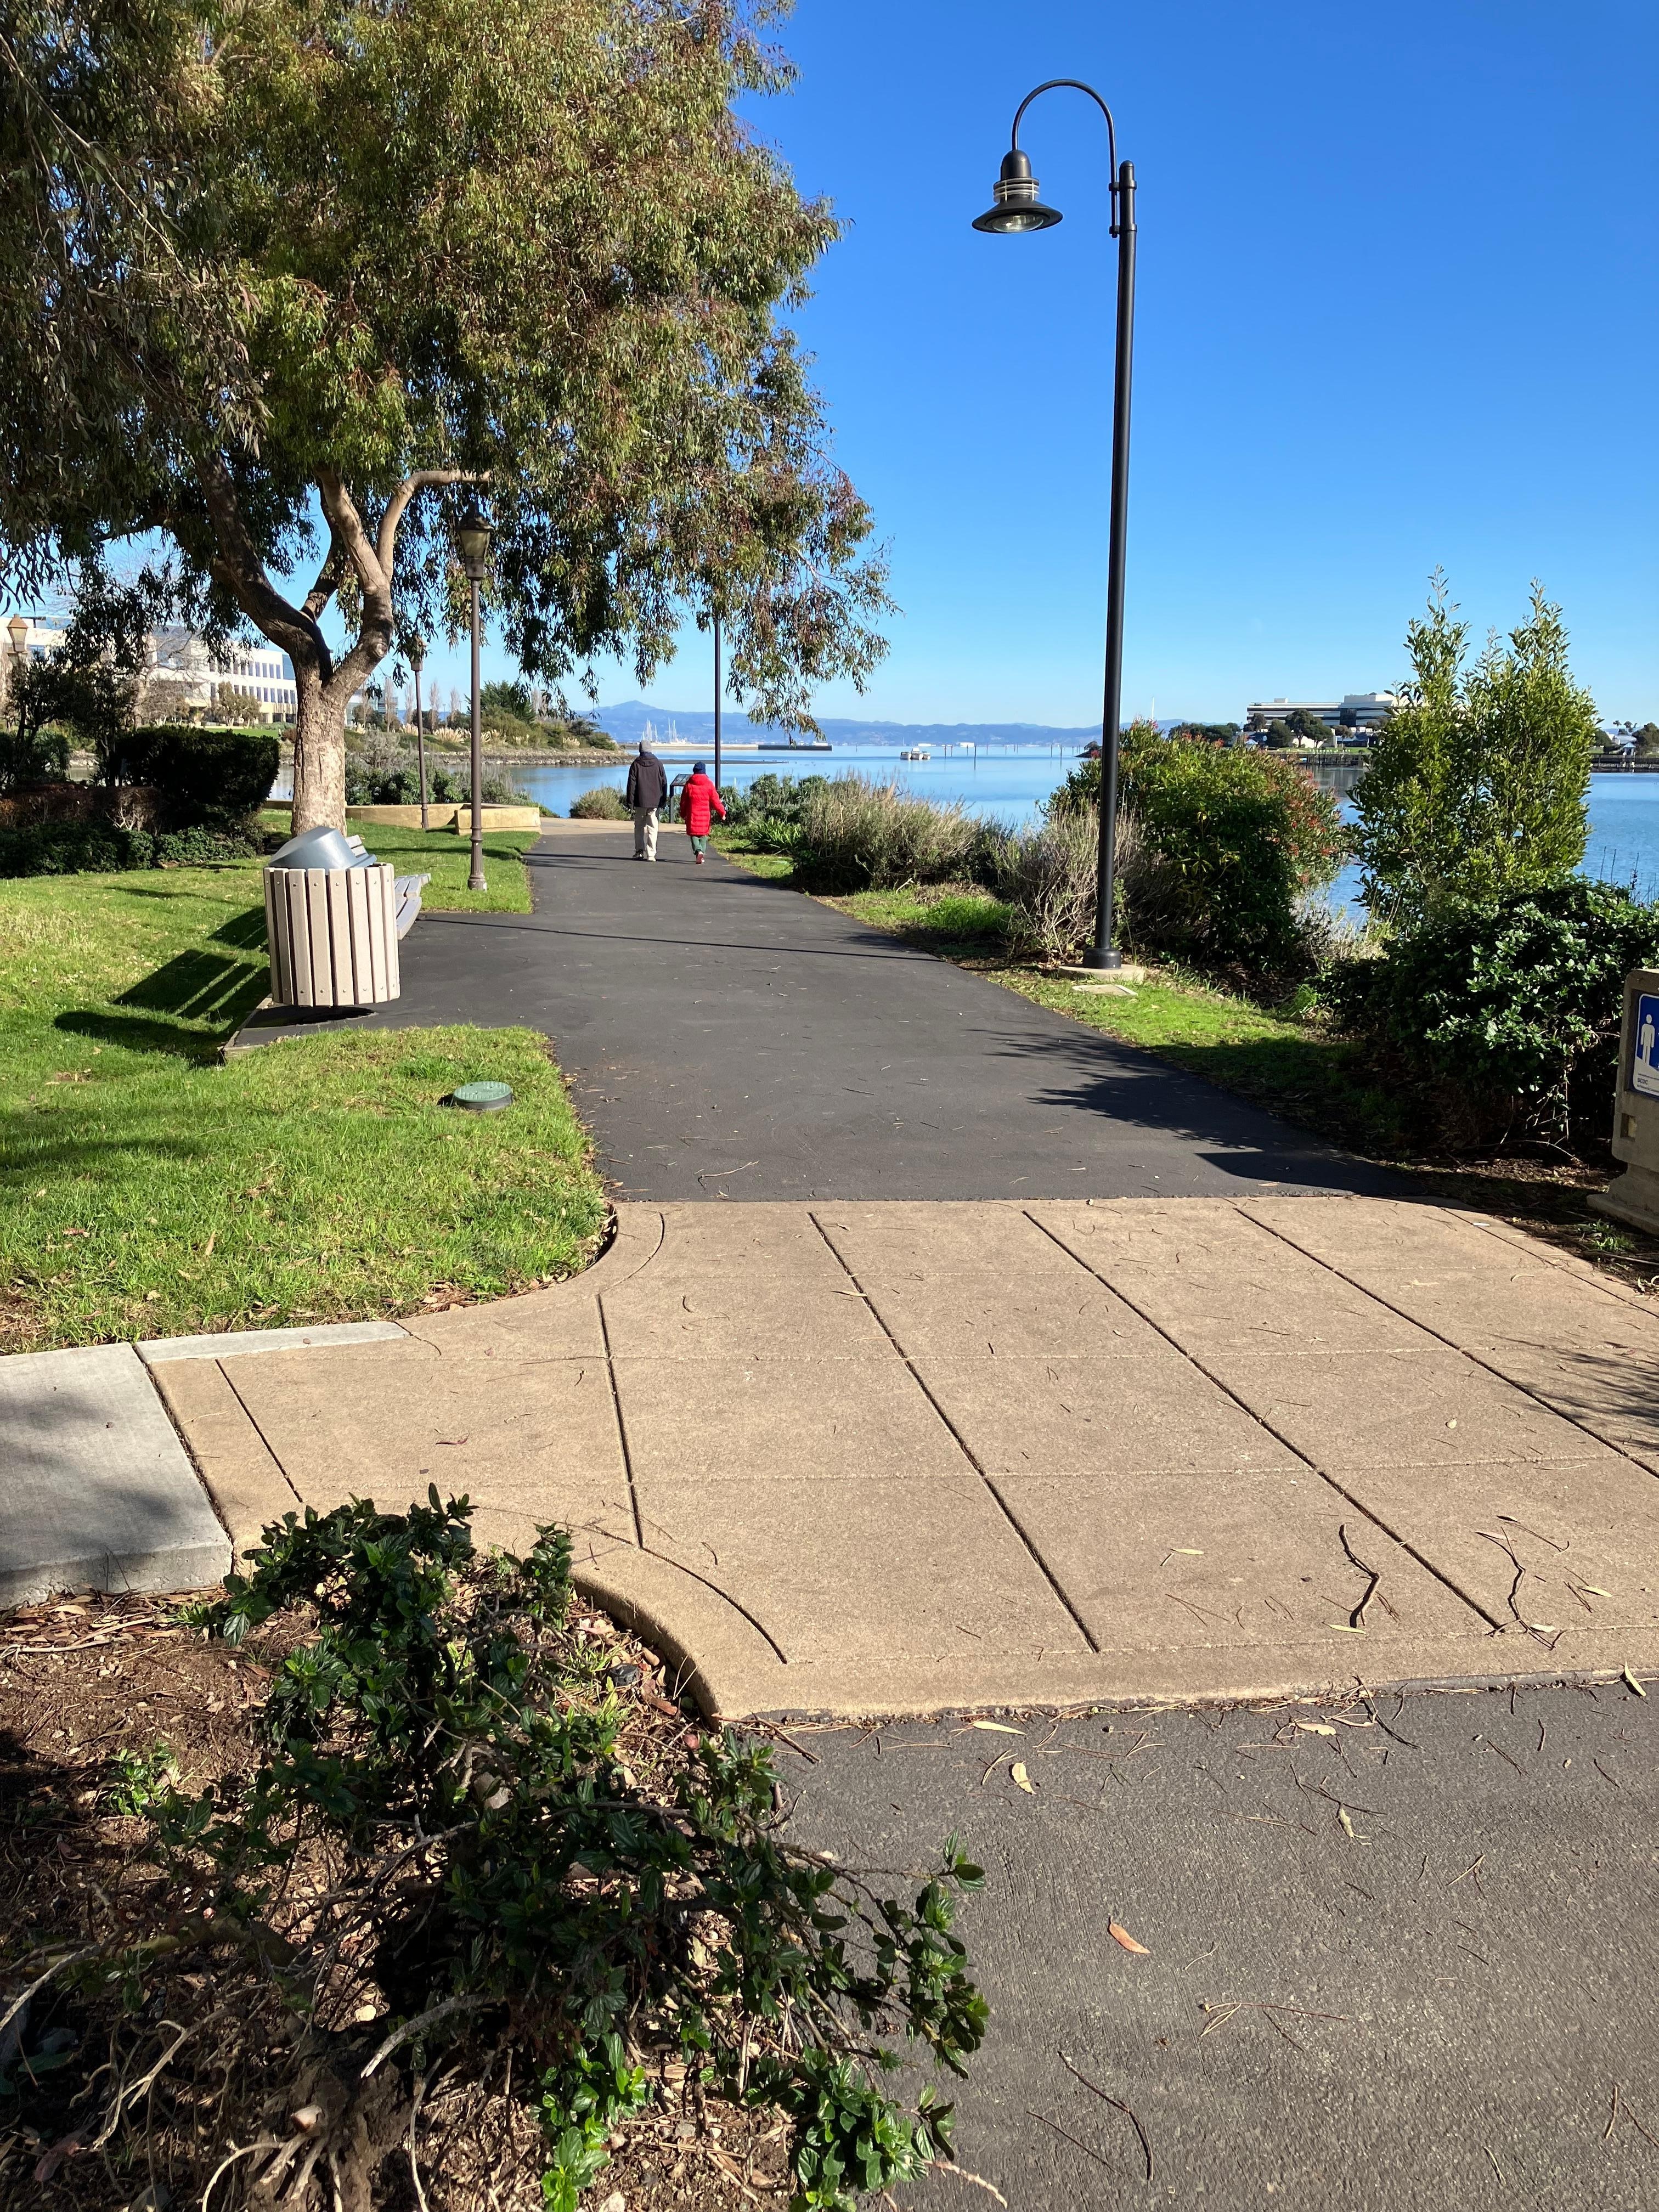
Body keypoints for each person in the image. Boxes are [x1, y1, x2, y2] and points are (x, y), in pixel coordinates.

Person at [625, 740, 669, 861]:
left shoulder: (636, 764)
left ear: (640, 750)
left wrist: (630, 803)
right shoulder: (658, 764)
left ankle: (639, 851)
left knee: (639, 826)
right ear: (651, 749)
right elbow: (664, 783)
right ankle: (651, 854)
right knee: (653, 827)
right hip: (654, 801)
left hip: (640, 801)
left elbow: (632, 785)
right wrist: (663, 800)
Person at [678, 759, 726, 866]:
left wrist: (683, 813)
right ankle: (702, 854)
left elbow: (684, 801)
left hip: (692, 815)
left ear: (694, 772)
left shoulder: (689, 785)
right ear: (704, 772)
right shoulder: (709, 784)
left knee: (694, 835)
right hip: (705, 815)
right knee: (703, 835)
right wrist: (722, 813)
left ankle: (698, 851)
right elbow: (716, 801)